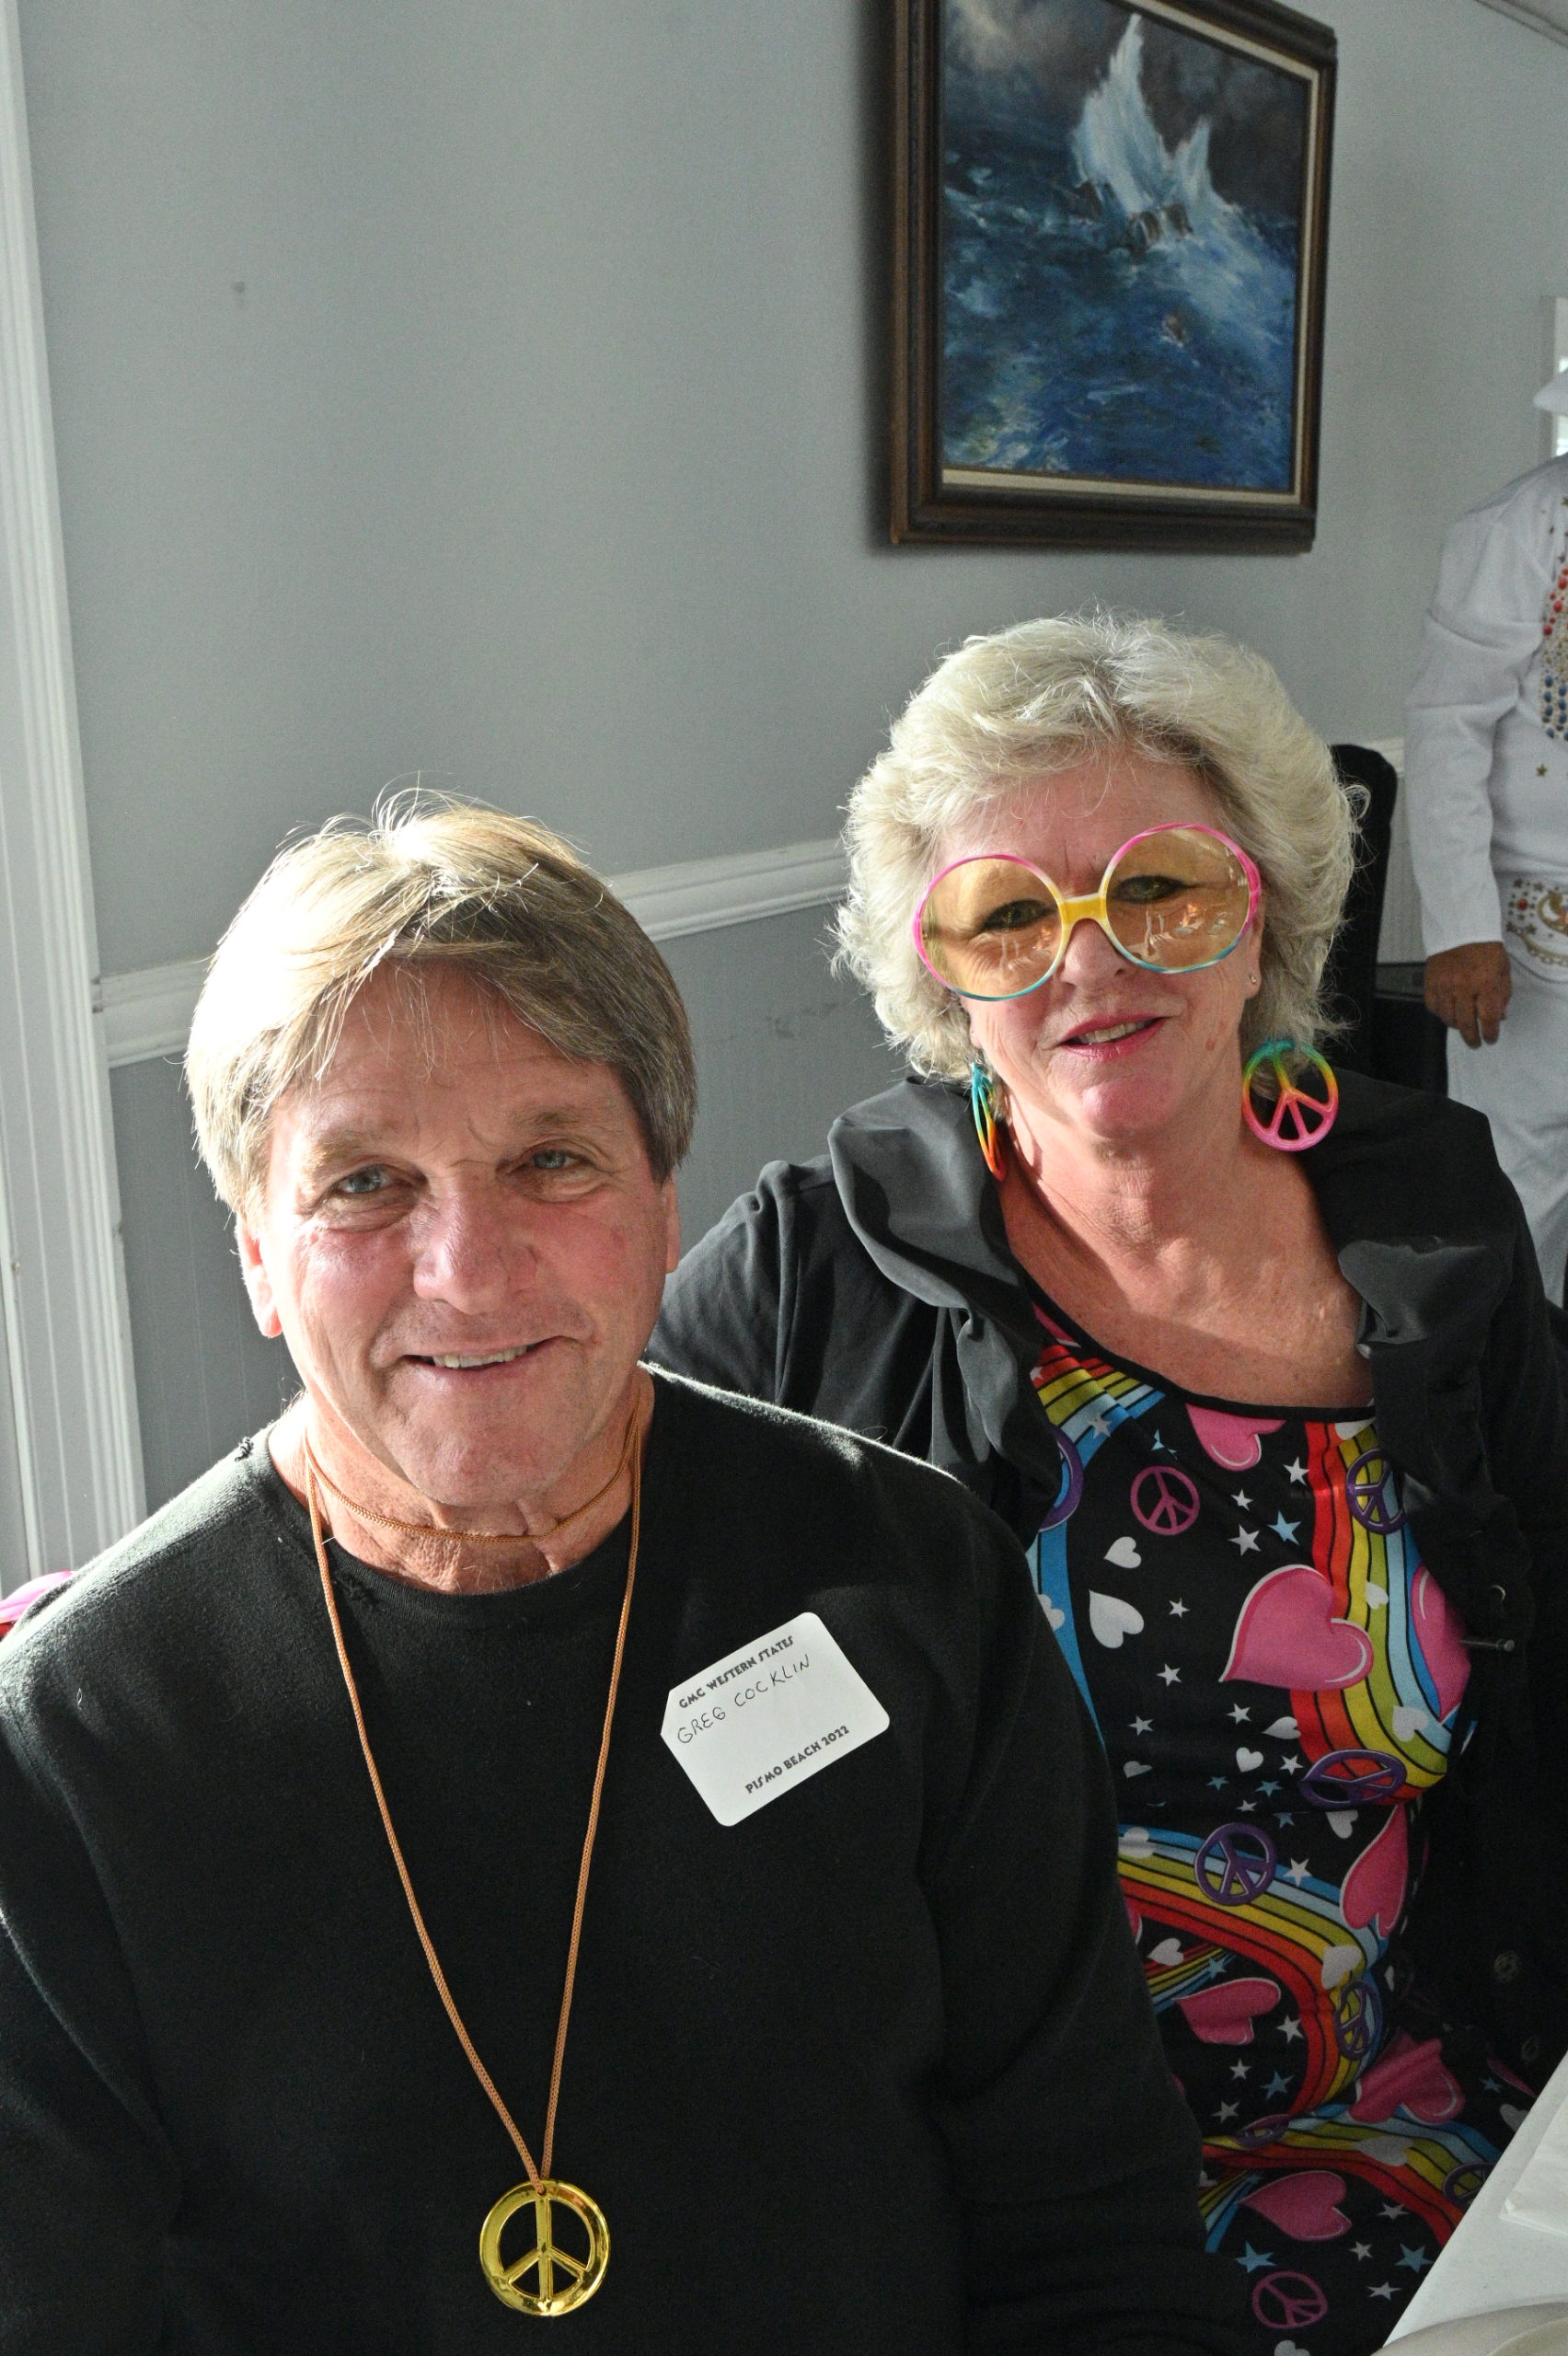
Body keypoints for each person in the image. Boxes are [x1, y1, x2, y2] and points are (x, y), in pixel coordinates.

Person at [0, 799, 1238, 2355]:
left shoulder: (910, 1584)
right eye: (364, 1183)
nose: (467, 1271)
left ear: (662, 1208)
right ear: (255, 1246)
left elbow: (1094, 2240)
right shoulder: (78, 1744)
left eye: (550, 1160)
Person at [653, 616, 1568, 2356]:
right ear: (944, 979)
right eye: (1008, 914)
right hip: (965, 2186)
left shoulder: (1433, 1217)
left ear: (1262, 919)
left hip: (1391, 2109)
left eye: (1159, 888)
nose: (1091, 959)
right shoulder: (810, 1271)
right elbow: (572, 1591)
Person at [1404, 373, 1568, 1300]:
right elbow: (1446, 726)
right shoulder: (1520, 529)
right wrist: (1462, 928)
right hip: (1538, 931)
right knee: (1518, 1194)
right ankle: (1520, 1384)